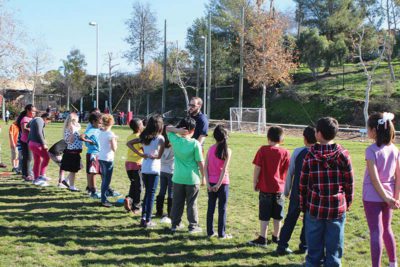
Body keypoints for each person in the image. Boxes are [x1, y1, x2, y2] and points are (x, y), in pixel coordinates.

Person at [300, 117, 354, 266]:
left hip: (314, 207)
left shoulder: (309, 155)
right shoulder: (344, 154)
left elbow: (303, 184)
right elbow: (349, 182)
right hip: (336, 207)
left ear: (318, 134)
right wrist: (347, 202)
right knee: (334, 246)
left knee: (314, 247)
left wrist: (302, 206)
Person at [363, 112, 400, 267]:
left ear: (374, 131)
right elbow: (399, 177)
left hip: (373, 197)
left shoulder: (371, 150)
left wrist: (388, 199)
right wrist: (395, 198)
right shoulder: (395, 149)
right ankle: (393, 263)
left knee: (376, 232)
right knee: (387, 230)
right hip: (389, 196)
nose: (367, 131)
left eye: (368, 128)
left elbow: (374, 179)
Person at [276, 126, 316, 255]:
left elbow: (290, 173)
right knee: (308, 220)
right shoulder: (320, 153)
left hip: (297, 193)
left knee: (290, 218)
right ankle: (304, 246)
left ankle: (282, 245)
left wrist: (286, 191)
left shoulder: (298, 152)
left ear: (304, 138)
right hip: (313, 194)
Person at [249, 126, 290, 247]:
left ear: (268, 138)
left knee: (264, 215)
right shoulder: (285, 152)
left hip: (265, 188)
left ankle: (263, 238)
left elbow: (257, 167)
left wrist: (255, 182)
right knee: (278, 215)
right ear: (281, 139)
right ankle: (276, 237)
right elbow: (287, 172)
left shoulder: (263, 150)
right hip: (279, 190)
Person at [166, 117, 204, 234]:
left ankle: (175, 225)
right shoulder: (195, 144)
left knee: (177, 203)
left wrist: (177, 130)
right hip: (192, 179)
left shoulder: (175, 140)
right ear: (193, 130)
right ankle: (193, 226)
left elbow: (167, 128)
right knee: (191, 203)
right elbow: (200, 162)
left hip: (177, 177)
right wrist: (204, 178)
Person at [127, 115, 165, 227]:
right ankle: (147, 220)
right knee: (151, 195)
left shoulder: (144, 136)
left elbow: (129, 143)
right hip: (154, 169)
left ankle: (143, 218)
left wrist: (140, 154)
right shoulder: (160, 138)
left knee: (147, 194)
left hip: (144, 168)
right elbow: (159, 156)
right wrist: (155, 155)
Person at [205, 125, 232, 239]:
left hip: (211, 183)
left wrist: (208, 184)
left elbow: (205, 167)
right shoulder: (228, 151)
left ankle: (210, 232)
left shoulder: (210, 149)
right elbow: (224, 170)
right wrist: (219, 184)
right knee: (222, 209)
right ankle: (222, 234)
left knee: (210, 208)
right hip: (223, 183)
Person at [124, 118, 144, 214]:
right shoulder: (139, 137)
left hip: (128, 163)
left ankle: (129, 199)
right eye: (142, 125)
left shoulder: (130, 136)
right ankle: (136, 206)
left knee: (133, 183)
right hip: (137, 163)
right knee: (139, 186)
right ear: (139, 127)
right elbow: (143, 149)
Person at [155, 125, 174, 222]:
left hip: (162, 170)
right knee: (171, 192)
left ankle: (159, 211)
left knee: (162, 191)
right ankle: (170, 213)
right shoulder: (174, 145)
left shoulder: (160, 143)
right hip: (171, 171)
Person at [98, 114, 118, 207]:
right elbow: (114, 148)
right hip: (108, 158)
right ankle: (104, 199)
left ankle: (103, 197)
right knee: (106, 180)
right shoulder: (110, 134)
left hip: (101, 157)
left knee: (104, 179)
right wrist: (115, 140)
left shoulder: (101, 131)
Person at [81, 112, 102, 199]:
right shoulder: (91, 130)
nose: (101, 124)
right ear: (93, 122)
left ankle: (90, 189)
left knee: (95, 172)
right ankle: (93, 190)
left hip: (98, 153)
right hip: (93, 154)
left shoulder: (98, 129)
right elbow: (81, 136)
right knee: (93, 172)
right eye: (99, 122)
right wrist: (90, 142)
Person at [59, 112, 83, 192]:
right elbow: (70, 141)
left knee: (79, 166)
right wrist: (73, 132)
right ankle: (71, 186)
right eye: (76, 120)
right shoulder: (69, 129)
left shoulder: (74, 127)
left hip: (76, 151)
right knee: (73, 170)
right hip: (72, 152)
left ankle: (66, 180)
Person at [28, 113, 52, 186]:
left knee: (37, 161)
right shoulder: (40, 120)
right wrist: (43, 143)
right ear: (45, 118)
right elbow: (39, 132)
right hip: (36, 144)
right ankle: (41, 176)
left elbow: (27, 125)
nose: (47, 123)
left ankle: (36, 179)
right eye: (48, 121)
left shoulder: (35, 119)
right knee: (47, 157)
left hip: (31, 143)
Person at [16, 104, 37, 181]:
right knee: (28, 158)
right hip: (25, 141)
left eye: (35, 111)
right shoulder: (25, 118)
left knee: (27, 158)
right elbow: (24, 129)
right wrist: (34, 130)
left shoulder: (31, 118)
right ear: (28, 111)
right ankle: (27, 175)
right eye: (33, 111)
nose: (34, 113)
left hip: (30, 141)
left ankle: (25, 174)